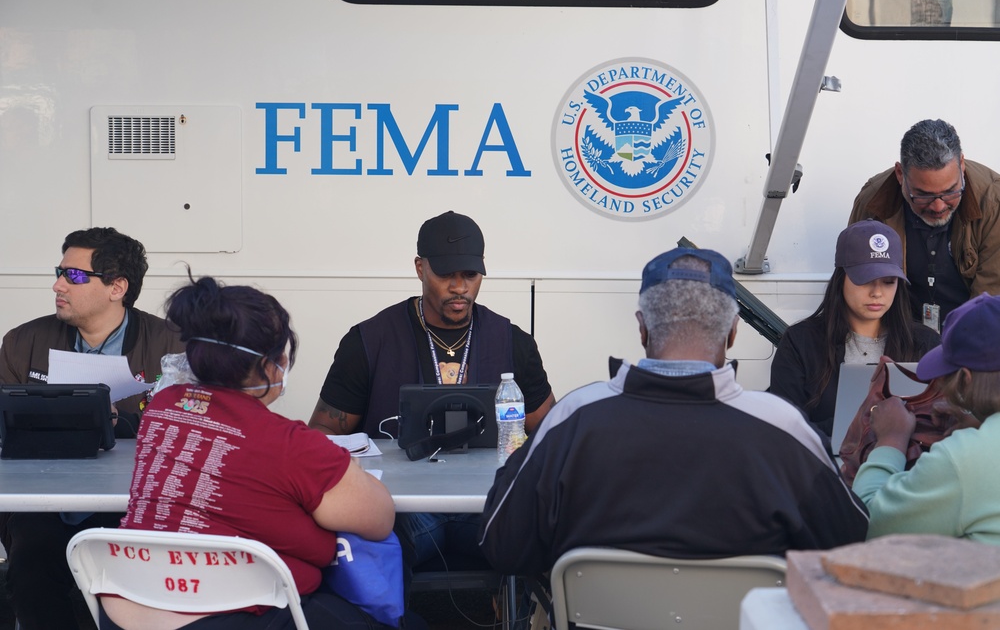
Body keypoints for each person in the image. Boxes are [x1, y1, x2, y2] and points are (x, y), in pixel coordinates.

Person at [478, 248, 869, 579]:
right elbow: (851, 544)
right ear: (733, 331)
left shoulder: (572, 419)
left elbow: (501, 543)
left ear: (642, 328)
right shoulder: (784, 428)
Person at [105, 274, 397, 629]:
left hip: (129, 609)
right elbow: (379, 518)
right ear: (266, 365)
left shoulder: (162, 407)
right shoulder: (291, 444)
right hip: (235, 617)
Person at [307, 210, 555, 599]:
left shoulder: (513, 342)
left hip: (489, 511)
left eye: (470, 276)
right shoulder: (369, 341)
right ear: (420, 268)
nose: (459, 288)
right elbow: (322, 434)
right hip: (406, 515)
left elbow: (550, 429)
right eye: (446, 275)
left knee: (543, 534)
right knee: (376, 544)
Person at [0, 227, 183, 630]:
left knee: (130, 593)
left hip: (138, 507)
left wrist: (122, 423)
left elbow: (192, 429)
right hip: (47, 502)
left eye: (75, 276)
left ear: (117, 287)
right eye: (60, 272)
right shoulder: (22, 342)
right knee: (30, 571)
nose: (58, 284)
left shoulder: (173, 345)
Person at [769, 220, 940, 436]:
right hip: (824, 466)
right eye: (865, 280)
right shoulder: (800, 342)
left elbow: (942, 422)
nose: (877, 292)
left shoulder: (926, 343)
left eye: (889, 281)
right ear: (841, 278)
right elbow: (783, 429)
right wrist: (859, 426)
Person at [854, 292, 1000, 543]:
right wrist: (981, 422)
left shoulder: (964, 459)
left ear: (966, 379)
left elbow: (865, 522)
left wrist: (891, 440)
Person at [849, 118, 1000, 330]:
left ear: (962, 166)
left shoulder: (994, 202)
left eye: (950, 192)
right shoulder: (874, 201)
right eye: (922, 195)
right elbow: (857, 289)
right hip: (899, 332)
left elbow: (991, 304)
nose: (938, 207)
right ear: (900, 174)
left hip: (973, 332)